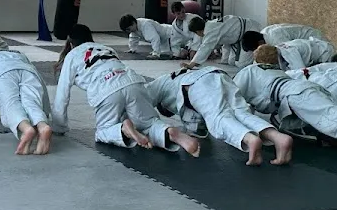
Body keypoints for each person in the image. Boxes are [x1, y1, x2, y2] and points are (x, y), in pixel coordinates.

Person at [53, 24, 200, 156]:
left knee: (103, 130)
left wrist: (59, 126)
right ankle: (168, 132)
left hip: (106, 88)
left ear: (71, 43)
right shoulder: (106, 49)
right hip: (132, 81)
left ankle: (123, 129)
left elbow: (62, 94)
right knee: (148, 123)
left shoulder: (72, 56)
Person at [146, 66, 293, 166]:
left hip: (196, 85)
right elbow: (198, 129)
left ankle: (250, 139)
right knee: (240, 112)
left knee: (218, 118)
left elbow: (140, 100)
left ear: (162, 104)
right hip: (217, 74)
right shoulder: (175, 82)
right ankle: (278, 137)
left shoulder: (159, 85)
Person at [186, 14, 260, 67]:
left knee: (241, 64)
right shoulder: (210, 25)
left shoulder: (210, 31)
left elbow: (205, 48)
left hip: (250, 32)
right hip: (239, 37)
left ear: (198, 31)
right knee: (230, 62)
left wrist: (192, 64)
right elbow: (226, 41)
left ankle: (258, 59)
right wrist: (224, 59)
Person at [268, 38, 336, 72]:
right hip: (316, 50)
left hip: (324, 54)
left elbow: (301, 73)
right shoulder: (276, 48)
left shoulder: (289, 53)